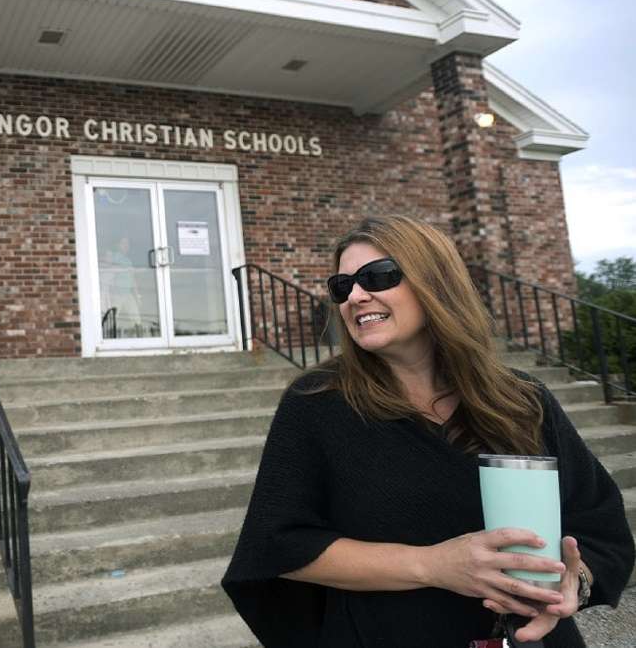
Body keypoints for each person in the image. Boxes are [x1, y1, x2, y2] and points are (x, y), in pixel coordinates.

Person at [221, 215, 633, 647]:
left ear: (436, 283)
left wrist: (572, 584)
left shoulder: (521, 398)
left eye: (377, 276)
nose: (356, 296)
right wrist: (433, 565)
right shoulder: (318, 404)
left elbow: (597, 523)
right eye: (342, 286)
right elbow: (278, 543)